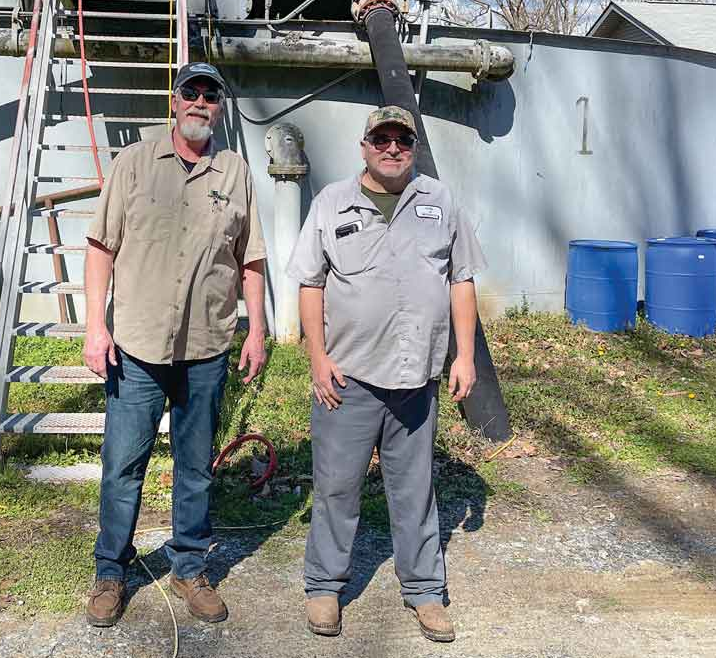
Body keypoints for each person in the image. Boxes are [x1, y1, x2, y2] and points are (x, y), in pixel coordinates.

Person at [286, 105, 485, 643]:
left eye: (402, 140)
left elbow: (460, 280)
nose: (392, 148)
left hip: (416, 376)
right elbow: (310, 283)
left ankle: (424, 590)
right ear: (365, 145)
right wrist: (318, 358)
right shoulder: (332, 202)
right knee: (336, 487)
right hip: (347, 378)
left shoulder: (439, 201)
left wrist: (463, 357)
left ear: (413, 147)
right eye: (382, 139)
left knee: (415, 489)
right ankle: (325, 586)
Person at [81, 62, 268, 628]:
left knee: (195, 467)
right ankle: (111, 571)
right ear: (175, 99)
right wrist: (95, 325)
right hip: (136, 345)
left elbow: (250, 260)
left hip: (207, 346)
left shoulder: (235, 173)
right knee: (123, 466)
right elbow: (100, 248)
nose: (200, 102)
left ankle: (190, 567)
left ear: (218, 109)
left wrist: (256, 328)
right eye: (192, 91)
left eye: (211, 95)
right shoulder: (134, 164)